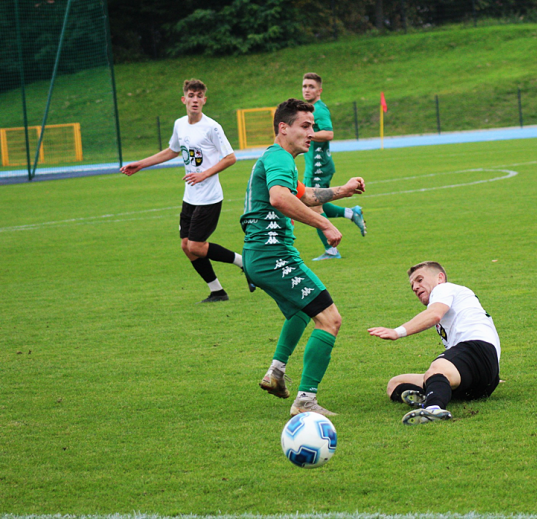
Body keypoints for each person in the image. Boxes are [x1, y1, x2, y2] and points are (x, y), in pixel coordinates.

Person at [241, 98, 366, 417]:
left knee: (300, 311)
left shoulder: (277, 159)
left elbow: (305, 196)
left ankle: (276, 373)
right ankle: (305, 401)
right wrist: (324, 223)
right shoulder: (280, 157)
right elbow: (280, 198)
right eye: (305, 126)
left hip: (263, 257)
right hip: (273, 255)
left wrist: (343, 190)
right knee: (330, 319)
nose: (313, 132)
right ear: (284, 128)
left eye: (314, 126)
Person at [121, 78, 244, 303]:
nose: (195, 100)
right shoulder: (180, 124)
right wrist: (140, 164)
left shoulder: (212, 127)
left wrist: (204, 174)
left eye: (199, 96)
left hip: (209, 198)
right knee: (186, 247)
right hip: (190, 196)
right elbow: (172, 151)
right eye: (191, 95)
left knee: (195, 245)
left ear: (204, 100)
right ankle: (217, 291)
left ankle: (243, 263)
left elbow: (230, 158)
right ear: (183, 99)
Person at [368, 261, 501, 425]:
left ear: (440, 278)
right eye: (412, 286)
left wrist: (397, 332)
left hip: (476, 352)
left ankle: (433, 409)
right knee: (395, 384)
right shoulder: (459, 307)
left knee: (437, 368)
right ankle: (432, 395)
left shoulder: (444, 288)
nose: (415, 287)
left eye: (420, 280)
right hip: (481, 383)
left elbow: (434, 315)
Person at [301, 72, 367, 261]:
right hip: (314, 166)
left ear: (319, 90)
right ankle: (351, 212)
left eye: (311, 86)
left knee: (313, 207)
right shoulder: (310, 109)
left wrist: (307, 134)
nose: (307, 90)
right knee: (312, 202)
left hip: (318, 167)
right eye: (304, 86)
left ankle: (331, 251)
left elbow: (329, 134)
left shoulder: (319, 110)